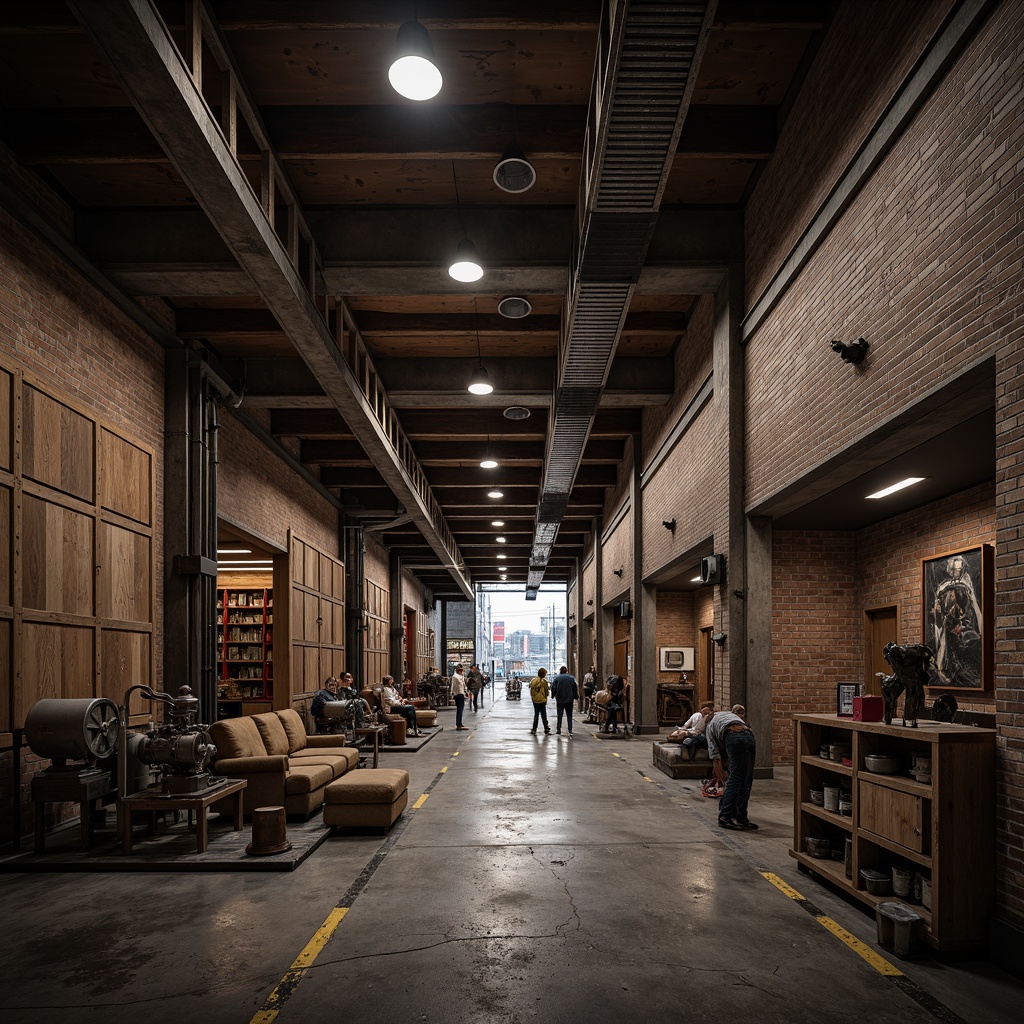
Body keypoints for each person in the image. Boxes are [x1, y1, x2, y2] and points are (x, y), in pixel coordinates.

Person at [705, 709, 757, 831]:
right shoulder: (727, 715)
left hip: (733, 737)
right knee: (746, 779)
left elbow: (716, 759)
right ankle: (741, 818)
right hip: (749, 734)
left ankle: (725, 816)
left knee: (734, 778)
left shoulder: (710, 726)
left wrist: (722, 781)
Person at [549, 665, 578, 737]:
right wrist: (575, 696)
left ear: (560, 671)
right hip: (569, 699)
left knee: (559, 715)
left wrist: (553, 695)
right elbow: (574, 687)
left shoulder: (557, 678)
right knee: (569, 715)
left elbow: (553, 688)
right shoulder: (571, 678)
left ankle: (558, 729)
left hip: (560, 699)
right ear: (566, 671)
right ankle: (570, 729)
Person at [528, 667, 550, 734]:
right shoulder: (544, 682)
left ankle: (534, 729)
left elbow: (531, 689)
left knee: (536, 715)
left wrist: (533, 697)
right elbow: (547, 691)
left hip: (535, 700)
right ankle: (546, 728)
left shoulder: (533, 680)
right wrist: (546, 697)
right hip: (543, 700)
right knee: (544, 714)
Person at [451, 664, 469, 730]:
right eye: (460, 670)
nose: (462, 671)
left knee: (460, 709)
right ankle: (458, 724)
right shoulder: (455, 677)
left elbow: (463, 686)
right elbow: (454, 686)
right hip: (458, 694)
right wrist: (452, 694)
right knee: (459, 709)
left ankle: (459, 723)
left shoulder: (460, 676)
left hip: (461, 694)